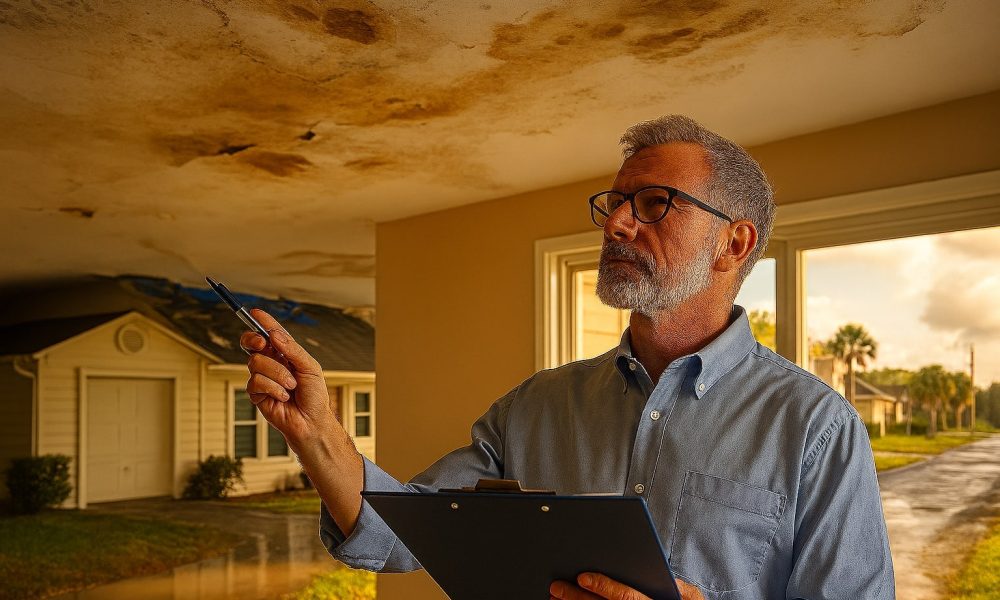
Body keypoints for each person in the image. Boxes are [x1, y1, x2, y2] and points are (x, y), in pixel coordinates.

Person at [241, 115, 895, 600]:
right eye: (615, 204)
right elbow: (404, 533)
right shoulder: (534, 408)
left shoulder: (816, 428)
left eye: (653, 203)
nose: (615, 224)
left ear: (734, 242)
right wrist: (315, 429)